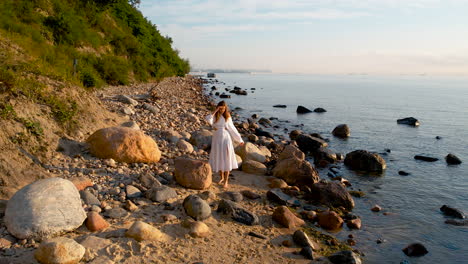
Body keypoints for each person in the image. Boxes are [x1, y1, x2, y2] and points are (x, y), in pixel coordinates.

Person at [205, 101, 244, 188]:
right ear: (218, 107)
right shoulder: (215, 116)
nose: (222, 110)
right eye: (220, 108)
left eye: (223, 108)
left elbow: (232, 129)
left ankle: (226, 181)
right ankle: (221, 178)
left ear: (226, 108)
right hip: (216, 139)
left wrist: (239, 139)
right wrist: (215, 111)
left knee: (226, 158)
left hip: (225, 138)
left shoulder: (227, 116)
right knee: (219, 158)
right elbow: (208, 119)